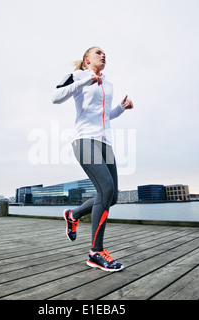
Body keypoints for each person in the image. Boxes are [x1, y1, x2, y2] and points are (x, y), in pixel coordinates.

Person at [51, 47, 134, 272]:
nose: (103, 55)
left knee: (112, 197)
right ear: (87, 59)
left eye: (105, 53)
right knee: (105, 190)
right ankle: (96, 252)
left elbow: (105, 115)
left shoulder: (108, 84)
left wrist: (121, 108)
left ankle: (73, 214)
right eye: (98, 52)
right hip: (85, 141)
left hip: (105, 144)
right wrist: (85, 80)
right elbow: (55, 97)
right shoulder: (79, 76)